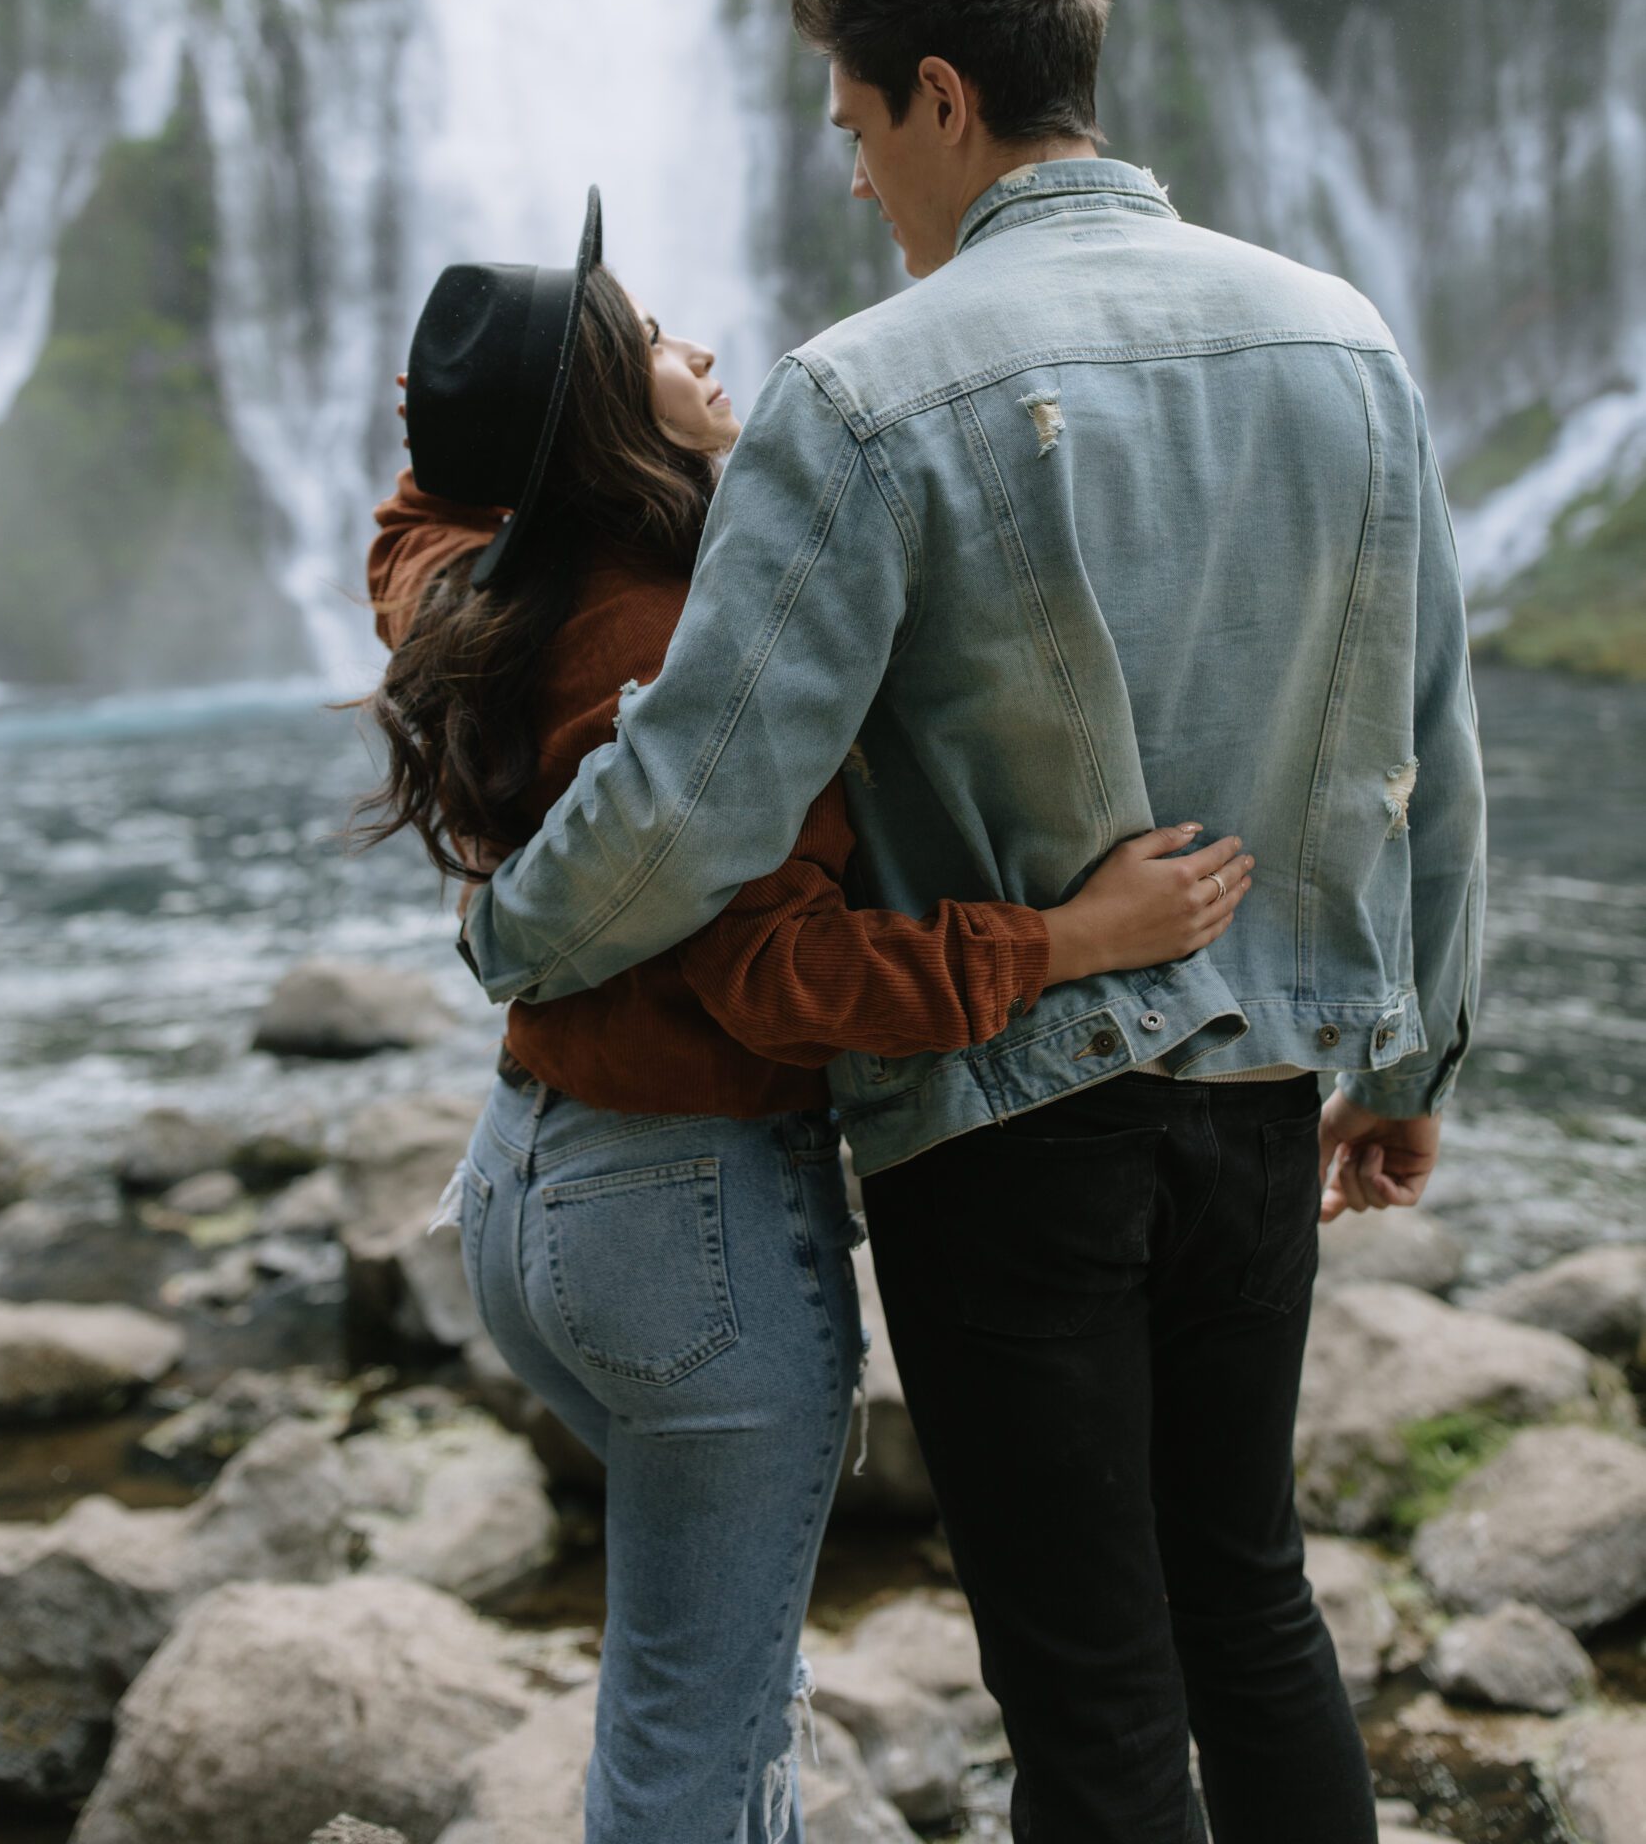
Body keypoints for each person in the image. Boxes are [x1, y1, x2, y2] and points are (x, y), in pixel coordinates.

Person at [456, 0, 1488, 1844]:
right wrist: (1410, 1053)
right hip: (1262, 1101)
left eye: (854, 127)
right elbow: (1427, 738)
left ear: (940, 96)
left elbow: (699, 793)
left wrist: (518, 928)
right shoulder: (1345, 341)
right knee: (1250, 1606)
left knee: (1086, 1687)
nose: (854, 178)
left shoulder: (864, 394)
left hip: (1007, 1125)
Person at [358, 186, 1256, 1844]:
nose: (702, 350)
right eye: (650, 342)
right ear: (595, 414)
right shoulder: (679, 644)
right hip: (686, 1224)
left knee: (713, 1690)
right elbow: (785, 979)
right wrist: (1071, 936)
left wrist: (468, 413)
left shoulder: (464, 586)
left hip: (524, 1193)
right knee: (699, 1741)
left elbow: (410, 520)